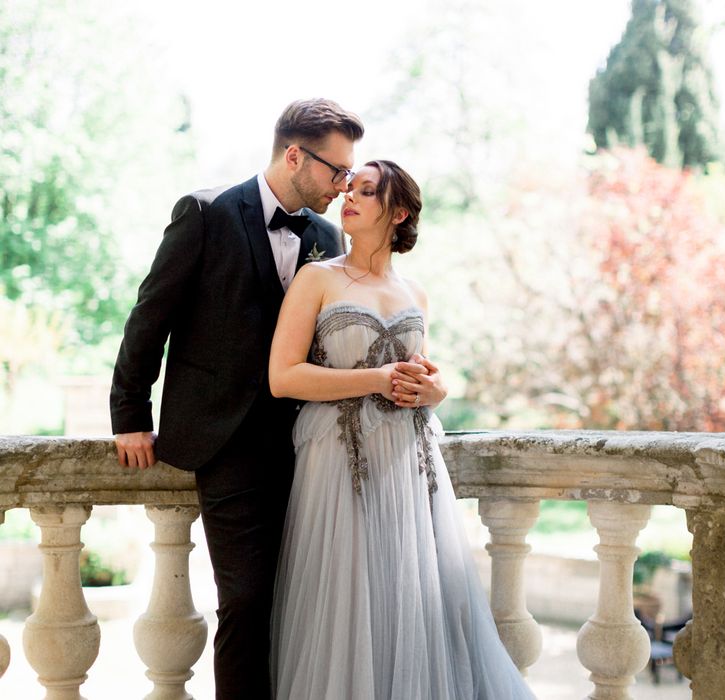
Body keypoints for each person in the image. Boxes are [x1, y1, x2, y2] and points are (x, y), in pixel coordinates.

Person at [110, 99, 373, 699]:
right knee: (247, 600)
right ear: (293, 155)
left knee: (303, 601)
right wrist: (130, 415)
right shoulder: (204, 213)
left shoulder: (327, 236)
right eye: (337, 172)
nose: (344, 186)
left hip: (310, 442)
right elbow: (149, 318)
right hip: (225, 439)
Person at [268, 160, 537, 699]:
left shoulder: (417, 291)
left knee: (410, 604)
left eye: (368, 191)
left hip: (411, 468)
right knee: (347, 604)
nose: (350, 197)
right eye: (350, 189)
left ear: (400, 212)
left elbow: (426, 375)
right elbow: (283, 377)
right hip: (339, 464)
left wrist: (437, 391)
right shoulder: (316, 278)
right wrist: (378, 378)